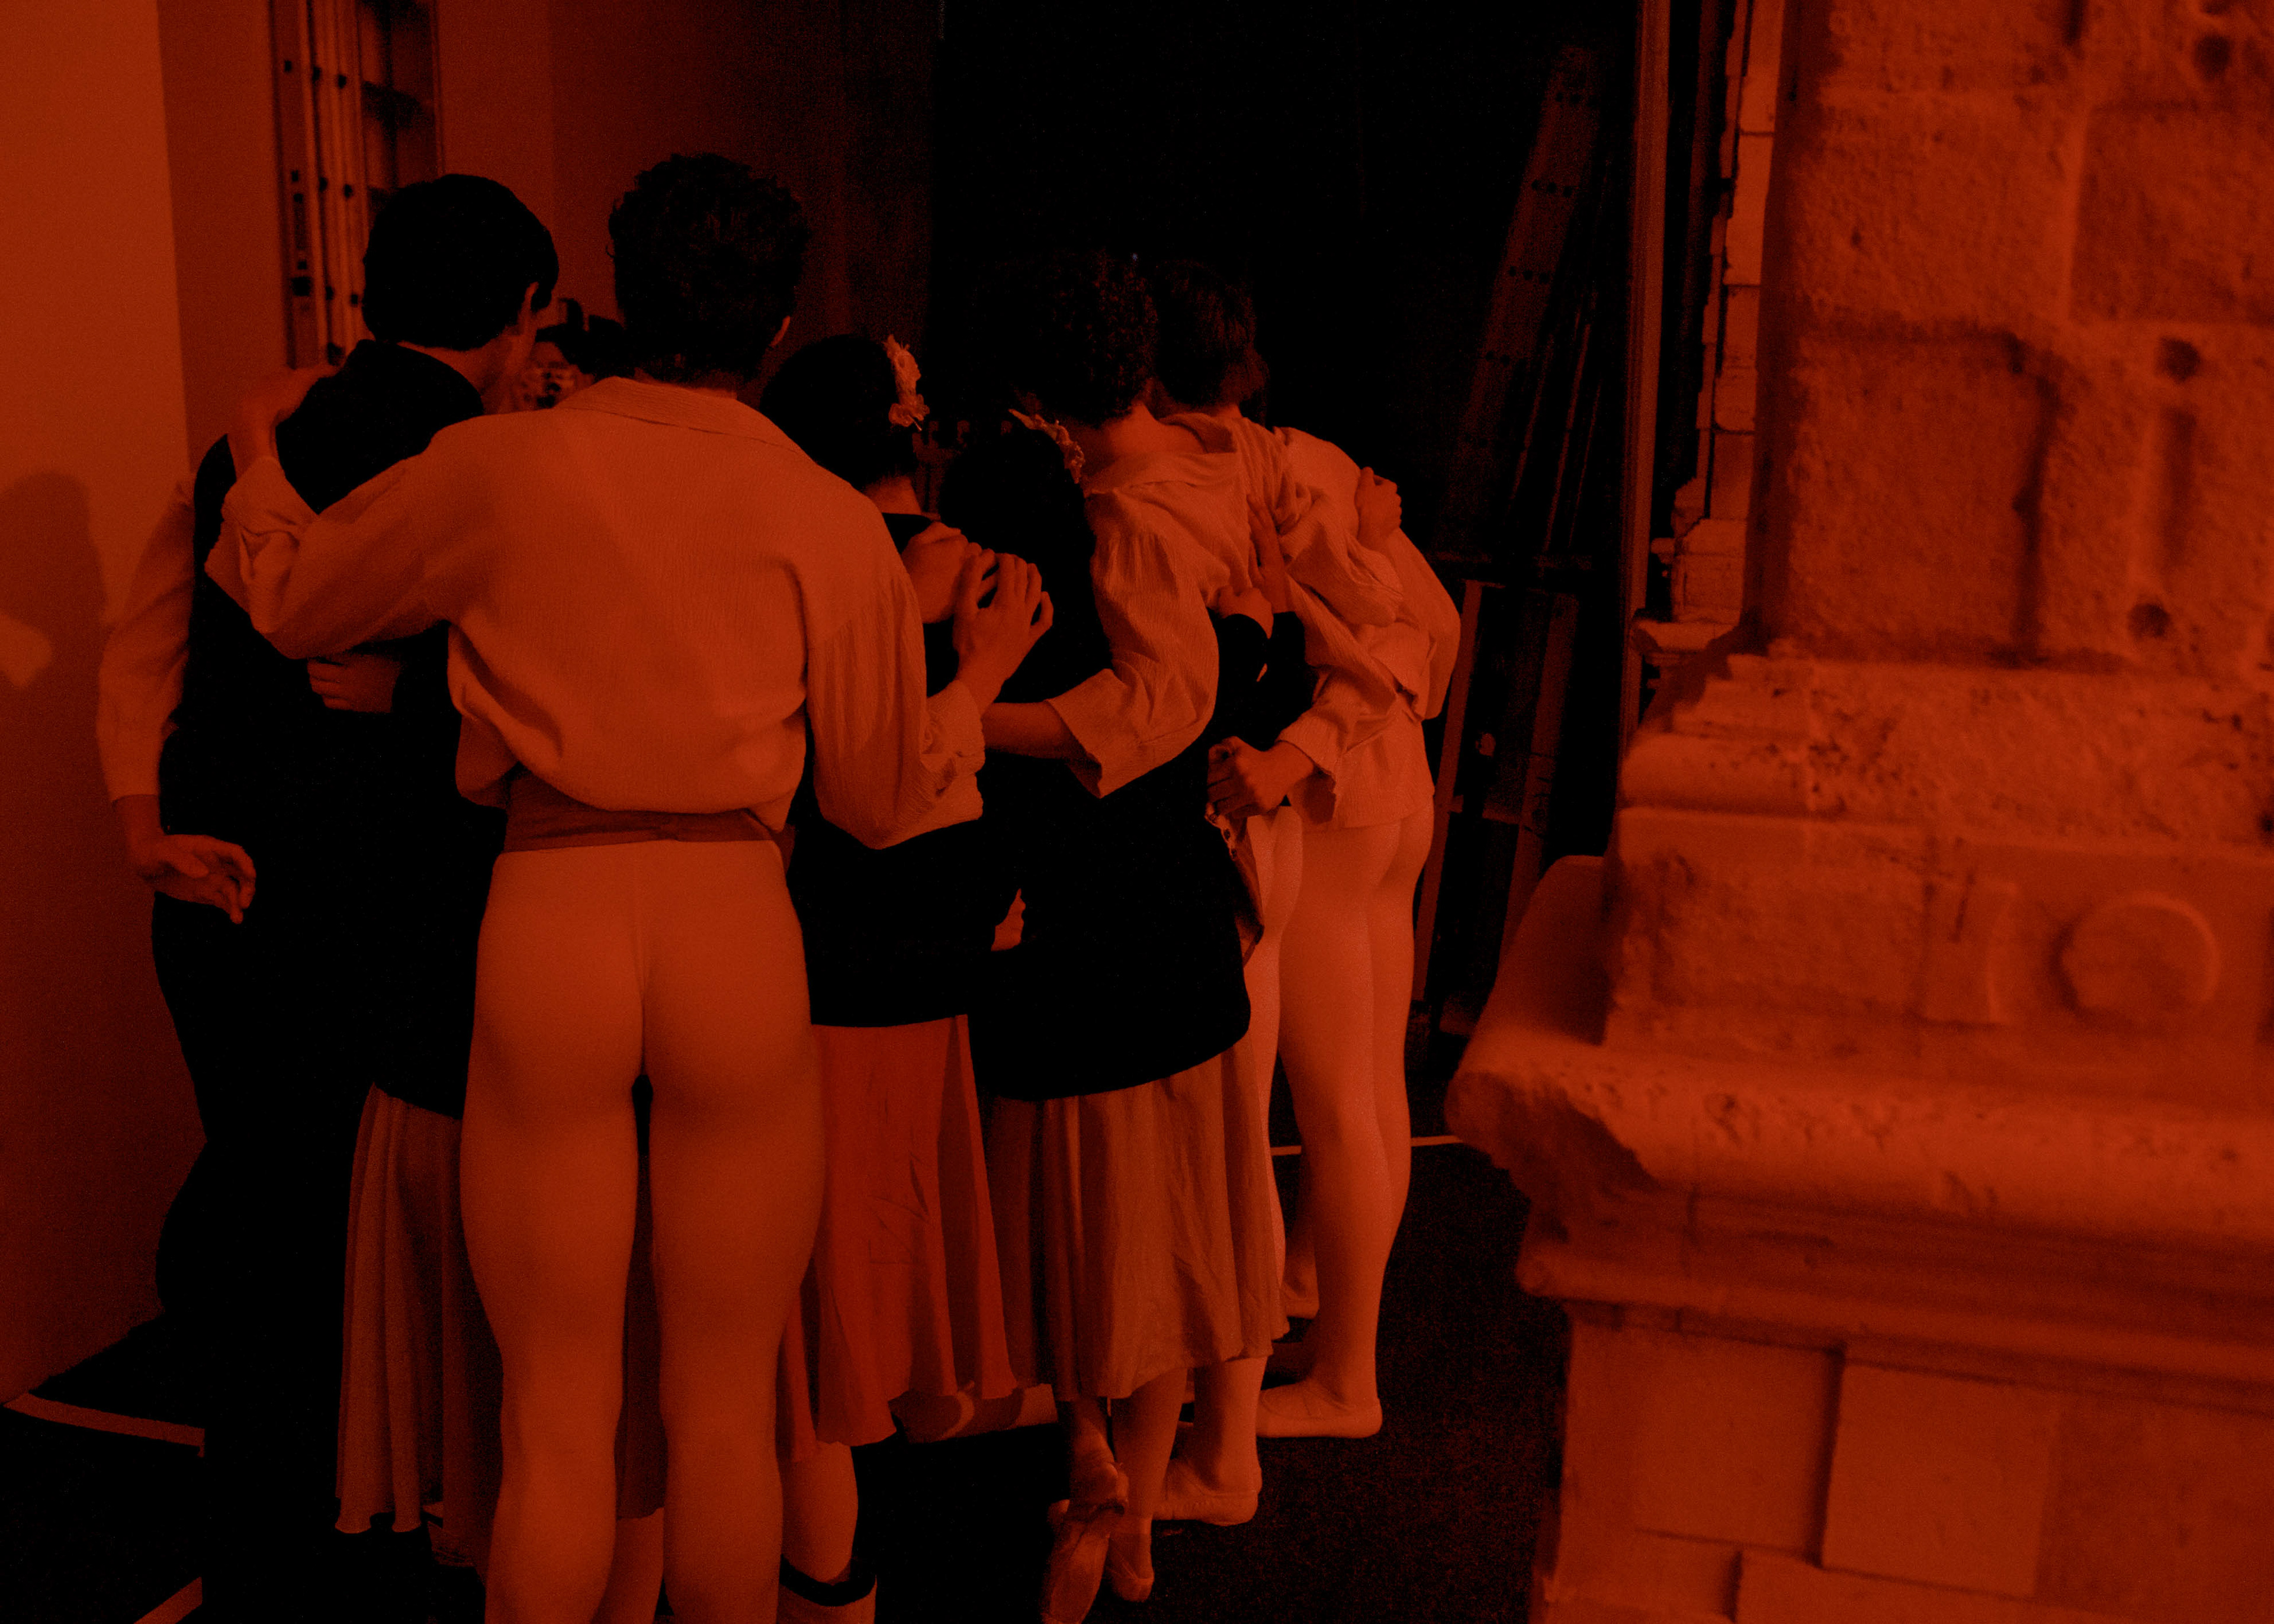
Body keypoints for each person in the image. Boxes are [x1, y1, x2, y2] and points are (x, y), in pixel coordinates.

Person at [205, 153, 1052, 1624]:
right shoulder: (820, 513)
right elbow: (876, 800)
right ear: (774, 326)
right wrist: (970, 692)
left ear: (611, 290)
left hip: (552, 905)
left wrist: (254, 447)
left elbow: (286, 601)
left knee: (554, 1414)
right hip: (733, 917)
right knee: (724, 1409)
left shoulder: (493, 465)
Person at [97, 173, 557, 1622]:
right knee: (404, 1234)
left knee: (268, 1209)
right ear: (523, 312)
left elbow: (154, 638)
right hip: (404, 906)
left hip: (224, 890)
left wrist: (144, 823)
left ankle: (266, 1538)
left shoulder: (255, 442)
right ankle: (406, 1524)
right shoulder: (497, 467)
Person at [967, 251, 1294, 1621]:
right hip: (1177, 908)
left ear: (1046, 395)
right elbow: (1234, 656)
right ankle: (1131, 1501)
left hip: (1119, 903)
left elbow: (1157, 703)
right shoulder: (1213, 468)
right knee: (1163, 1225)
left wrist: (973, 720)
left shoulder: (1126, 515)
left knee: (1101, 1215)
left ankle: (1103, 1468)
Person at [1148, 259, 1460, 1444]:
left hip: (1333, 798)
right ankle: (1320, 1301)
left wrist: (1299, 748)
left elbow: (1381, 649)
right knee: (1372, 1091)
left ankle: (1345, 1380)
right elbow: (1435, 630)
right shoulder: (1319, 458)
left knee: (1335, 1106)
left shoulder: (1239, 483)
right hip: (1394, 793)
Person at [756, 333, 1023, 1623]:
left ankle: (828, 1579)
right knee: (887, 1271)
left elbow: (854, 795)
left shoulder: (796, 565)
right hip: (937, 962)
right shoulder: (982, 566)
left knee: (815, 1327)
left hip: (828, 965)